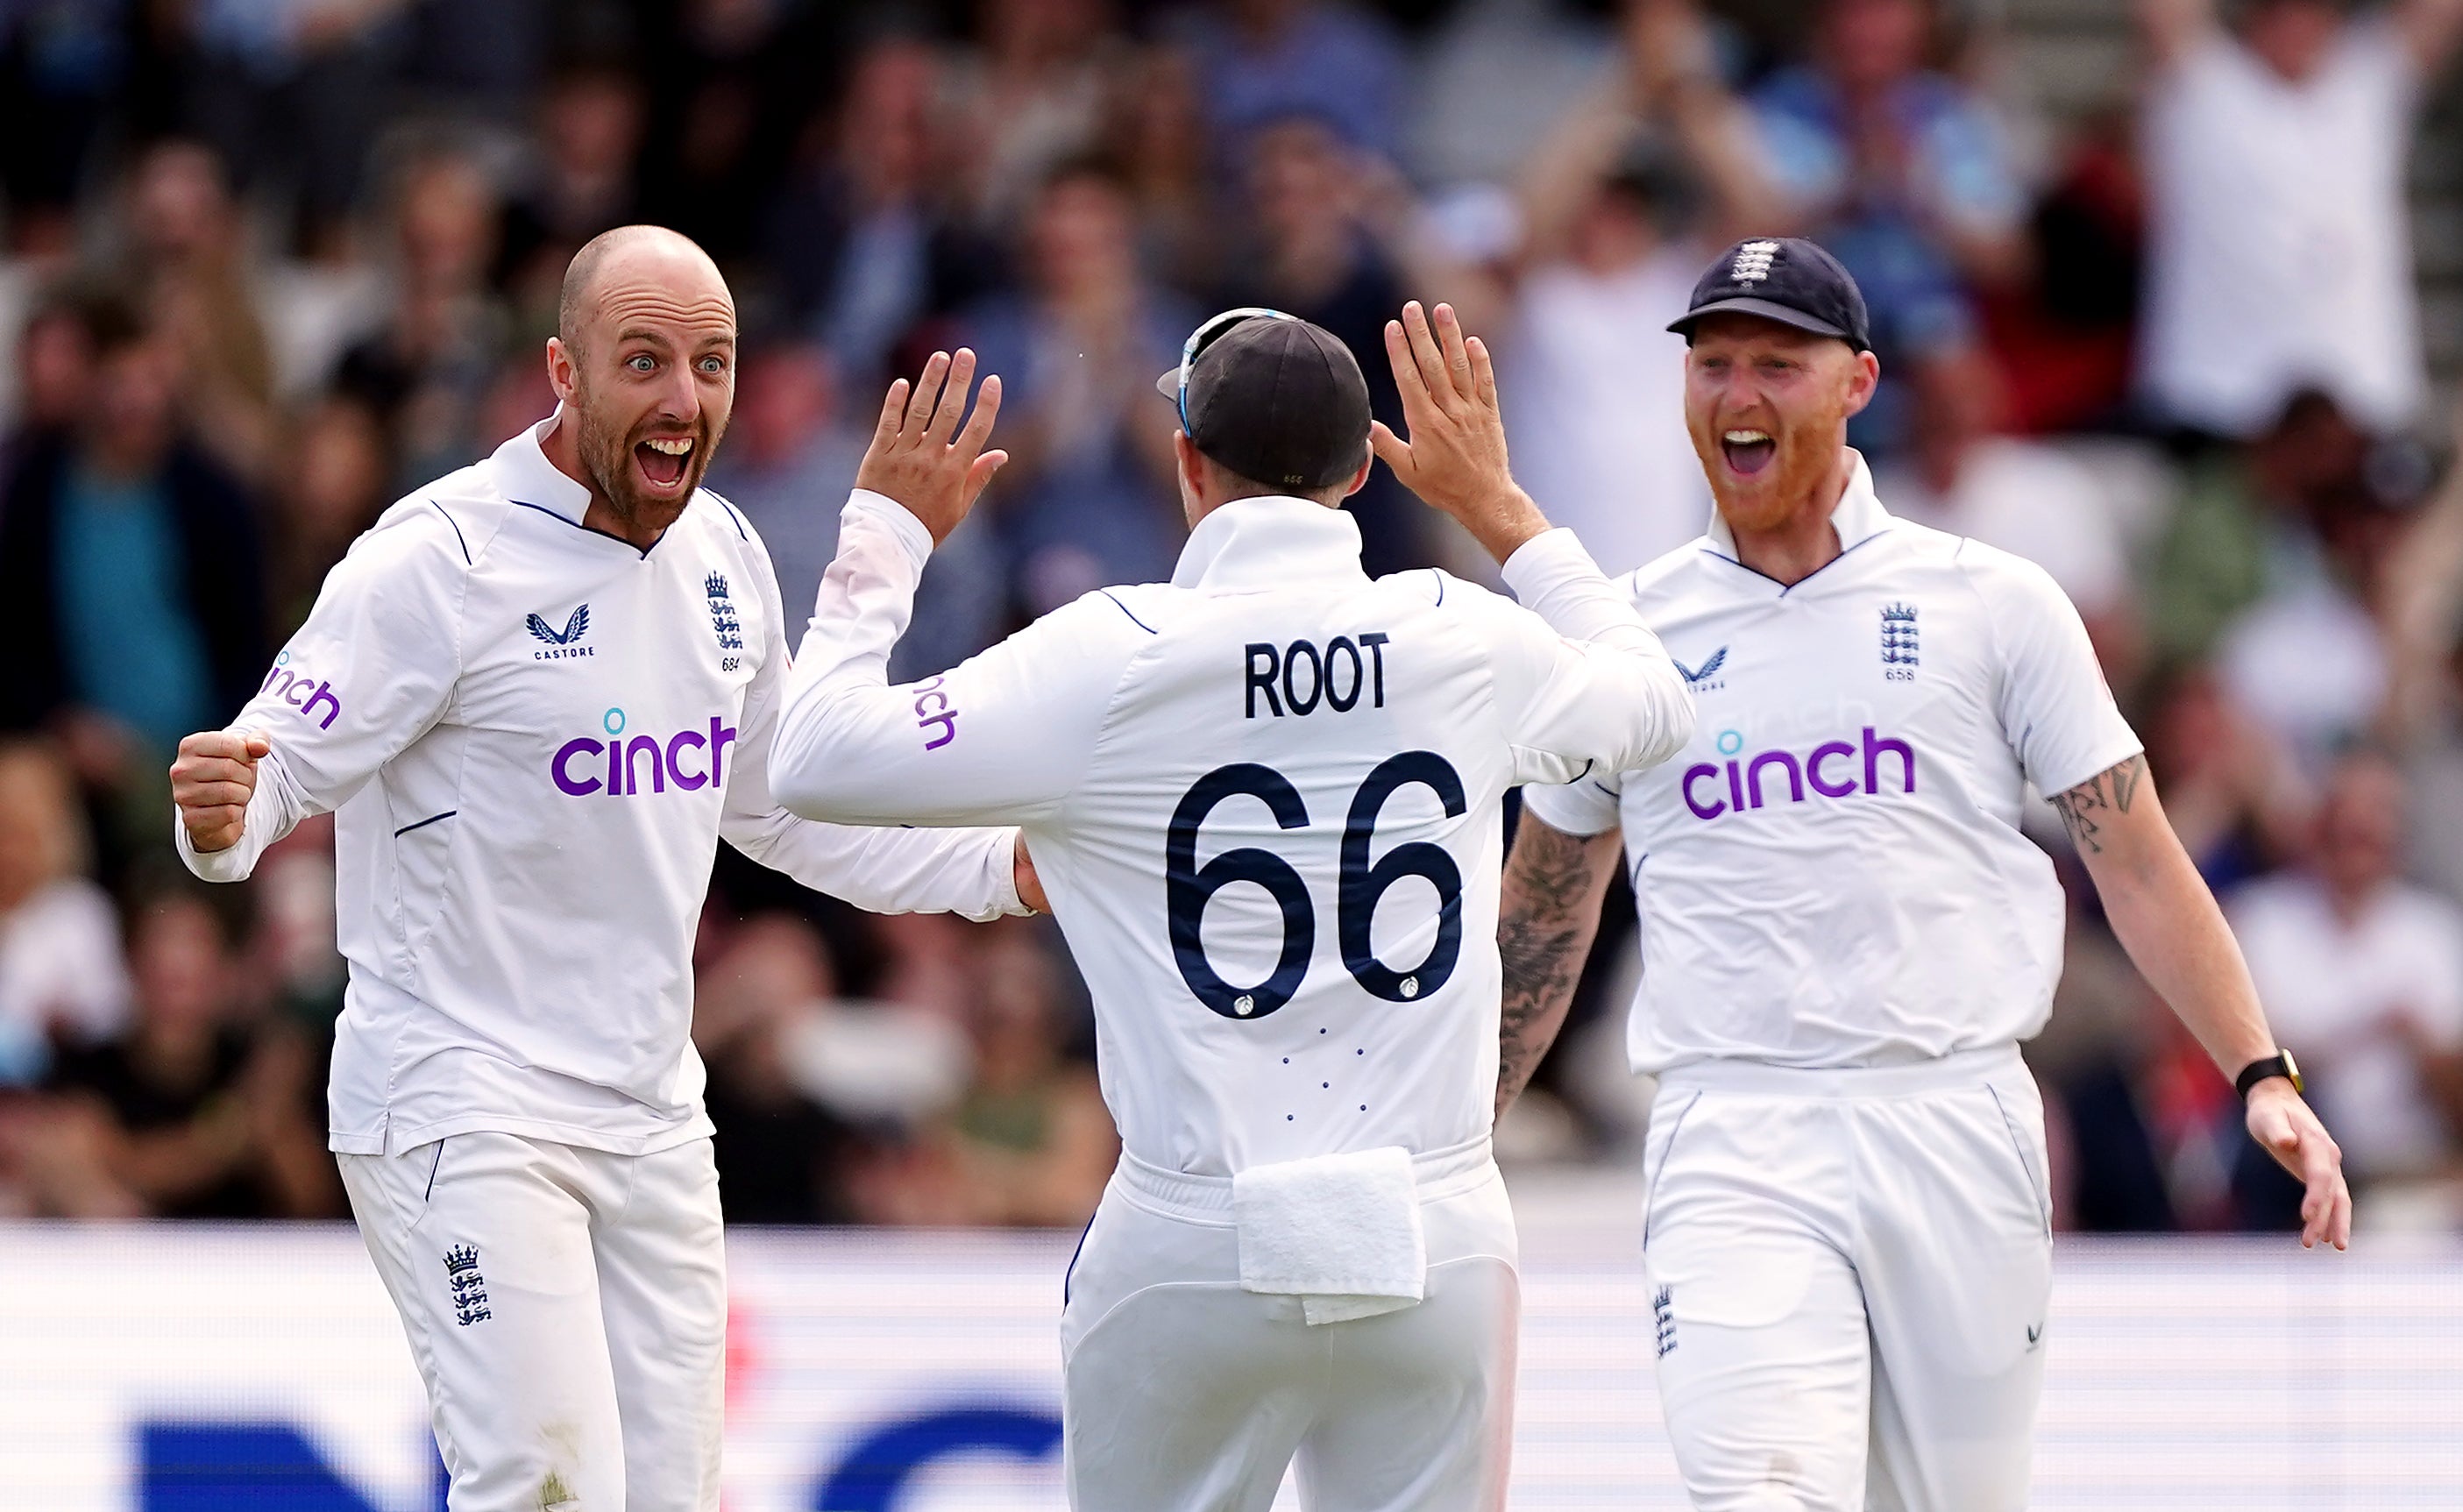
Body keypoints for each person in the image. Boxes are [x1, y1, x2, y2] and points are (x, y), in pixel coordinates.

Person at [166, 225, 1040, 1512]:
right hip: (456, 1096)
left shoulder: (726, 557)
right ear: (562, 376)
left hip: (647, 1114)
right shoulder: (437, 559)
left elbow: (788, 813)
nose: (685, 400)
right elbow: (269, 777)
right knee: (542, 1486)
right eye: (645, 361)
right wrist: (215, 816)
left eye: (713, 363)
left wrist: (1005, 869)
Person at [767, 303, 1694, 1510]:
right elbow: (1657, 706)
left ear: (1187, 464)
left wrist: (886, 533)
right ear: (1363, 470)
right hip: (1435, 1227)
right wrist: (1500, 509)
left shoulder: (1105, 653)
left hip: (1191, 1239)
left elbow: (813, 759)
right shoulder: (1458, 631)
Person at [1491, 237, 2350, 1512]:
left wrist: (2257, 1070)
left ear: (1856, 384)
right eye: (1712, 363)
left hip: (1955, 1120)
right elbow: (1544, 905)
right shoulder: (1628, 632)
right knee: (1757, 1494)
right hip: (1734, 1126)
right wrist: (1452, 1131)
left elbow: (2135, 857)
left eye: (1777, 364)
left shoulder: (1990, 602)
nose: (1736, 394)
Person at [2136, 0, 2463, 439]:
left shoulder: (2369, 83)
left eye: (2312, 11)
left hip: (2358, 399)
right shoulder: (2205, 82)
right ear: (2254, 18)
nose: (2296, 27)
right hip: (2215, 395)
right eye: (2280, 12)